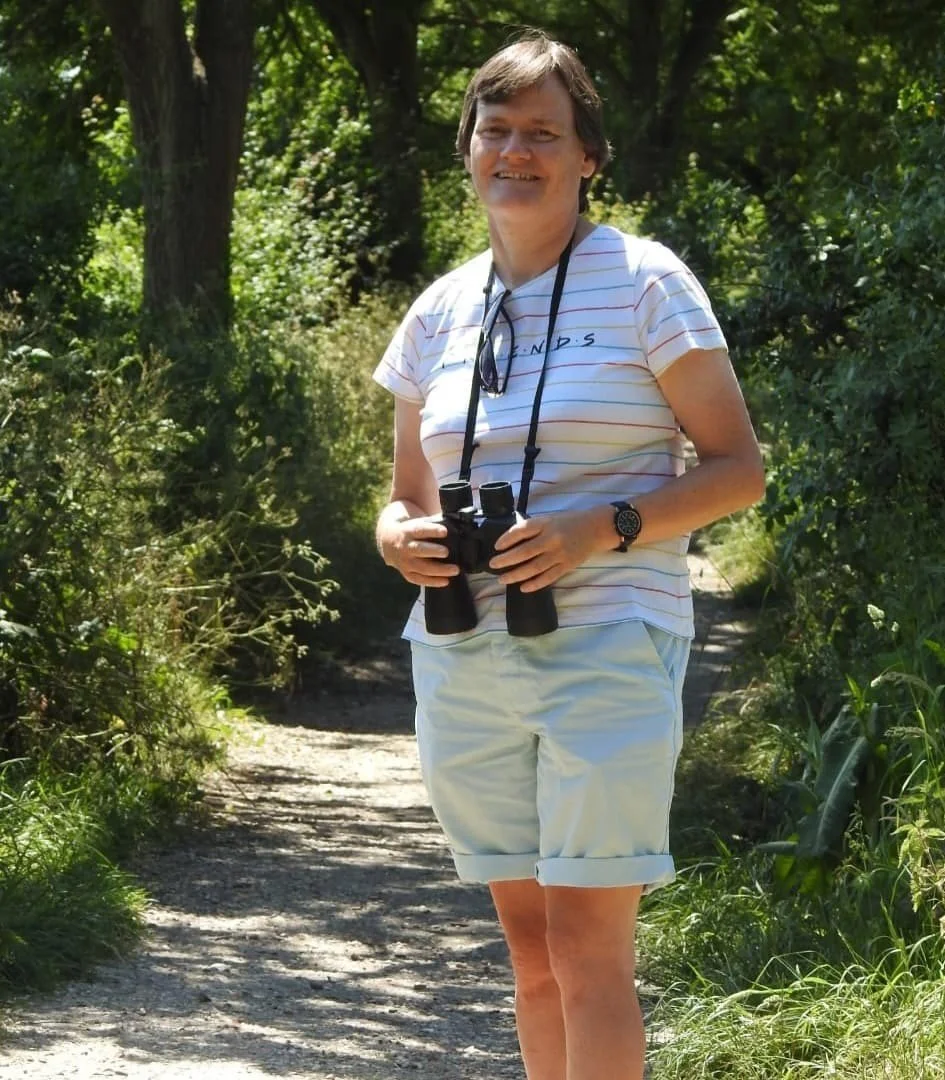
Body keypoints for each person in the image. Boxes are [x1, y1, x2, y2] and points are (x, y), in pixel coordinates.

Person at [373, 30, 764, 1080]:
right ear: (467, 148)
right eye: (494, 129)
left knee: (592, 952)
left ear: (588, 154)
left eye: (543, 131)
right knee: (532, 952)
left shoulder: (648, 282)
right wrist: (396, 536)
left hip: (605, 641)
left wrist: (601, 528)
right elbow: (405, 495)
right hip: (465, 655)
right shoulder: (441, 309)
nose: (515, 150)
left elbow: (738, 468)